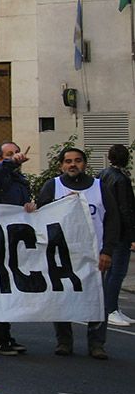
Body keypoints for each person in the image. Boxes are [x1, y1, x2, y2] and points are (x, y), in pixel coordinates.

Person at [37, 146, 120, 360]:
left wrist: (107, 250)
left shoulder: (100, 188)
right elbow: (39, 217)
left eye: (77, 160)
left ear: (84, 164)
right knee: (62, 298)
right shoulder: (52, 187)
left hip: (93, 256)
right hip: (62, 254)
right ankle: (64, 341)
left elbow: (112, 220)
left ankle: (97, 344)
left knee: (97, 301)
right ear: (61, 165)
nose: (72, 164)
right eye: (68, 161)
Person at [0, 140, 33, 355]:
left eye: (17, 153)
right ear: (0, 159)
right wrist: (10, 164)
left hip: (14, 240)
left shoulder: (20, 180)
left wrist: (28, 208)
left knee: (9, 291)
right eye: (9, 155)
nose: (14, 157)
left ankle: (7, 335)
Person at [100, 145, 134, 327]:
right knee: (118, 271)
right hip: (121, 231)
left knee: (111, 271)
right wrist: (132, 235)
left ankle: (111, 307)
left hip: (107, 228)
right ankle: (110, 309)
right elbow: (125, 209)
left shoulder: (103, 174)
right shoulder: (121, 179)